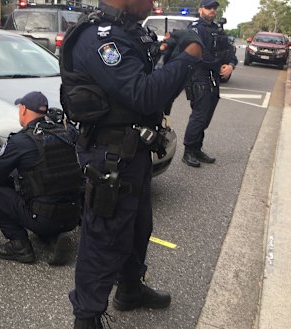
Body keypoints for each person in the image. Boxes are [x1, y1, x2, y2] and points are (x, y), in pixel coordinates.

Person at [59, 0, 204, 327]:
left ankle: (129, 288)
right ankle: (87, 317)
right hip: (110, 156)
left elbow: (156, 90)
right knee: (104, 238)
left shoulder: (129, 33)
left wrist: (172, 56)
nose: (152, 4)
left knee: (138, 228)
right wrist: (188, 58)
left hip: (133, 152)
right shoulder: (100, 38)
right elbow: (143, 94)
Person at [0, 91, 82, 266]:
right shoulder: (66, 133)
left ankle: (20, 246)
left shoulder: (20, 141)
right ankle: (54, 238)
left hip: (43, 217)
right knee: (47, 190)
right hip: (73, 215)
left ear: (24, 109)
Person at [182, 0, 237, 167]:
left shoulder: (217, 30)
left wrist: (231, 65)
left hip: (213, 77)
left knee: (206, 116)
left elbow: (229, 50)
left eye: (214, 8)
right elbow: (200, 53)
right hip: (199, 76)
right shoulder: (195, 28)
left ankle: (197, 148)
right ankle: (189, 151)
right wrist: (219, 65)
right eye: (208, 8)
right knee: (199, 115)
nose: (212, 11)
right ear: (200, 9)